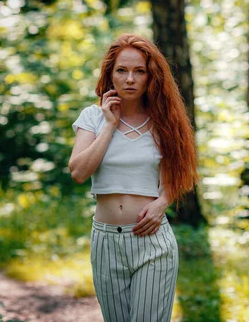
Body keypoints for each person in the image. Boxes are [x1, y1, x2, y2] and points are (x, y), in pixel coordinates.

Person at [69, 33, 198, 322]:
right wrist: (110, 125)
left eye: (139, 71)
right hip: (105, 242)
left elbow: (176, 177)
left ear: (151, 76)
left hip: (152, 241)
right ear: (110, 75)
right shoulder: (92, 117)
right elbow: (78, 171)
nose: (130, 79)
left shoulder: (164, 121)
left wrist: (162, 202)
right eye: (122, 70)